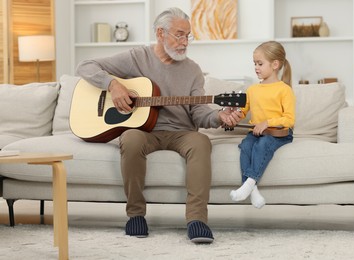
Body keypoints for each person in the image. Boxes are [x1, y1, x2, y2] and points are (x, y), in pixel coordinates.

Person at [76, 7, 242, 244]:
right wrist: (112, 84)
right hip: (144, 131)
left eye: (188, 36)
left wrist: (220, 118)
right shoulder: (137, 57)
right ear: (160, 33)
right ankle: (135, 215)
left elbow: (200, 113)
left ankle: (197, 220)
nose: (185, 42)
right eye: (179, 35)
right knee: (130, 139)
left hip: (181, 132)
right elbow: (85, 66)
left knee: (201, 142)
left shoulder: (193, 70)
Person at [230, 41, 295, 209]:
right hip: (257, 132)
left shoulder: (284, 89)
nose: (256, 67)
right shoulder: (252, 90)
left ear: (275, 65)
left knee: (263, 145)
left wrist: (267, 122)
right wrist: (237, 114)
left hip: (279, 134)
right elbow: (243, 112)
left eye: (260, 63)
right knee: (246, 146)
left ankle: (249, 182)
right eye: (254, 64)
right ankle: (253, 191)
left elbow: (289, 119)